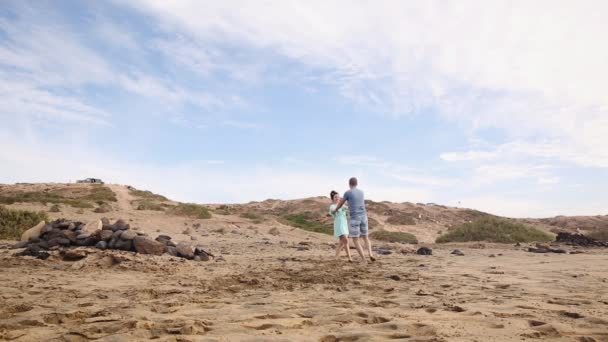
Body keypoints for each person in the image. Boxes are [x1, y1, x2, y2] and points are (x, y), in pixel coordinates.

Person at [332, 177, 376, 262]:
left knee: (356, 239)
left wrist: (335, 210)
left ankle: (364, 259)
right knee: (366, 237)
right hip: (364, 217)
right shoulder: (361, 192)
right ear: (357, 183)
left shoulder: (347, 193)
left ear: (349, 184)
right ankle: (370, 254)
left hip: (355, 218)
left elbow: (341, 203)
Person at [329, 190, 353, 262]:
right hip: (338, 225)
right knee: (346, 241)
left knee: (341, 243)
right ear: (332, 198)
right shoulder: (332, 206)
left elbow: (348, 209)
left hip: (344, 224)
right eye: (335, 197)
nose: (337, 198)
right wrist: (340, 206)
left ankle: (336, 257)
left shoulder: (343, 205)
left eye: (338, 197)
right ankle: (349, 258)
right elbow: (333, 211)